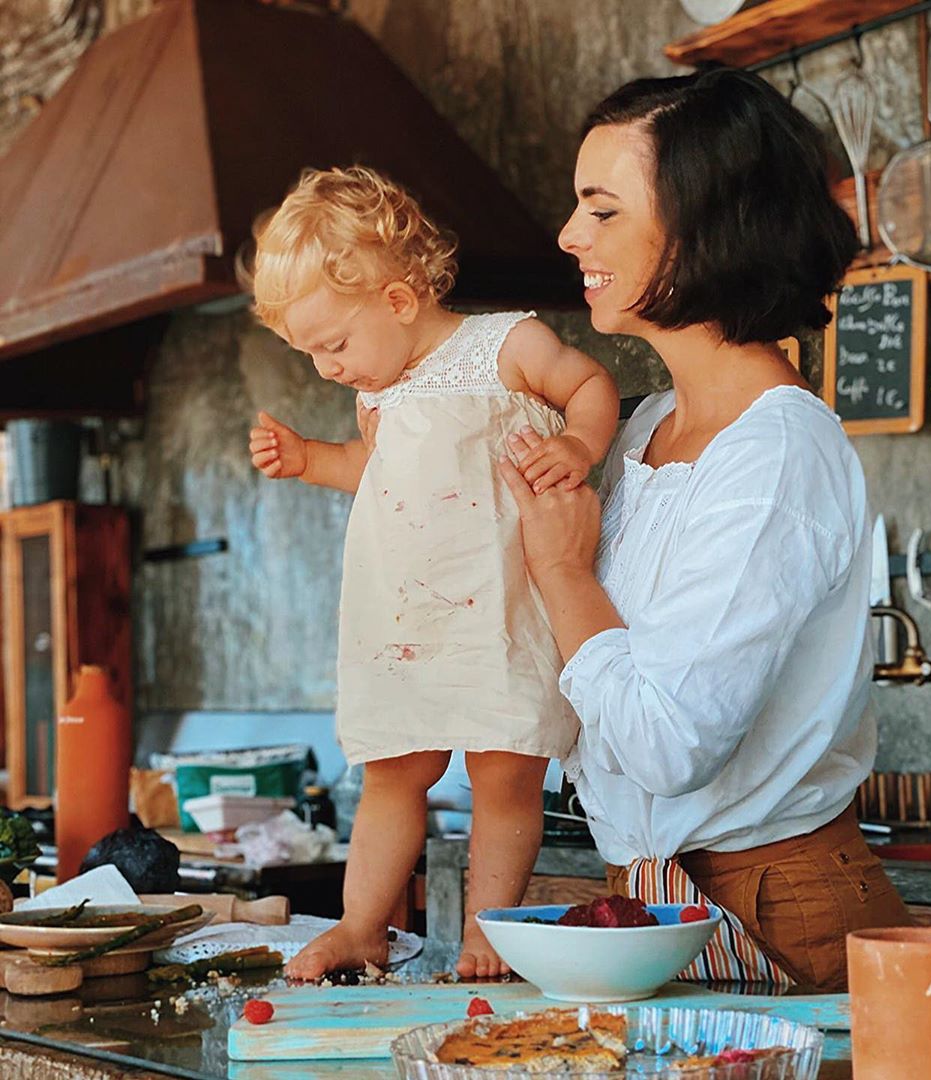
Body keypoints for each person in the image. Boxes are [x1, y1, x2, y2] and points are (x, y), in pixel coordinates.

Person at [499, 67, 911, 991]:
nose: (570, 235)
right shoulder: (644, 429)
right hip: (652, 899)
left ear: (704, 227)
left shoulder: (775, 457)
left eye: (602, 211)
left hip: (779, 908)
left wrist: (565, 573)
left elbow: (669, 744)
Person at [246, 165, 620, 980]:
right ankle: (360, 924)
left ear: (397, 298)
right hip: (406, 623)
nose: (327, 369)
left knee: (503, 775)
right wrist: (312, 460)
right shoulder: (378, 399)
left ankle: (489, 930)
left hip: (499, 614)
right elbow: (376, 476)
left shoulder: (505, 345)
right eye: (308, 353)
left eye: (333, 344)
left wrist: (578, 445)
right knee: (392, 773)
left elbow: (589, 381)